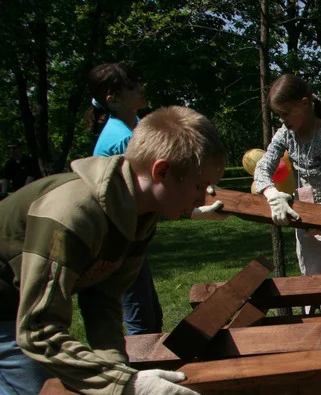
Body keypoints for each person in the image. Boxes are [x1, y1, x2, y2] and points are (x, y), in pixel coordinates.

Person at [0, 106, 226, 395]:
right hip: (7, 315)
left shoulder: (139, 213)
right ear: (161, 171)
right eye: (200, 185)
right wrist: (126, 386)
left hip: (24, 309)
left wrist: (114, 368)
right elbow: (37, 331)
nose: (206, 196)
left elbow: (103, 293)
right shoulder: (71, 213)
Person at [86, 63, 223, 334]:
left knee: (149, 315)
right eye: (132, 86)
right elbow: (158, 187)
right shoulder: (120, 139)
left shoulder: (136, 127)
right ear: (113, 98)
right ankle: (142, 370)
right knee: (139, 319)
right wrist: (194, 209)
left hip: (132, 232)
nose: (141, 88)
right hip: (114, 240)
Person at [253, 74, 321, 313]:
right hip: (303, 219)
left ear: (304, 104)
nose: (282, 120)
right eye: (279, 115)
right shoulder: (285, 134)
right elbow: (263, 166)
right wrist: (271, 193)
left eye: (285, 113)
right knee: (310, 279)